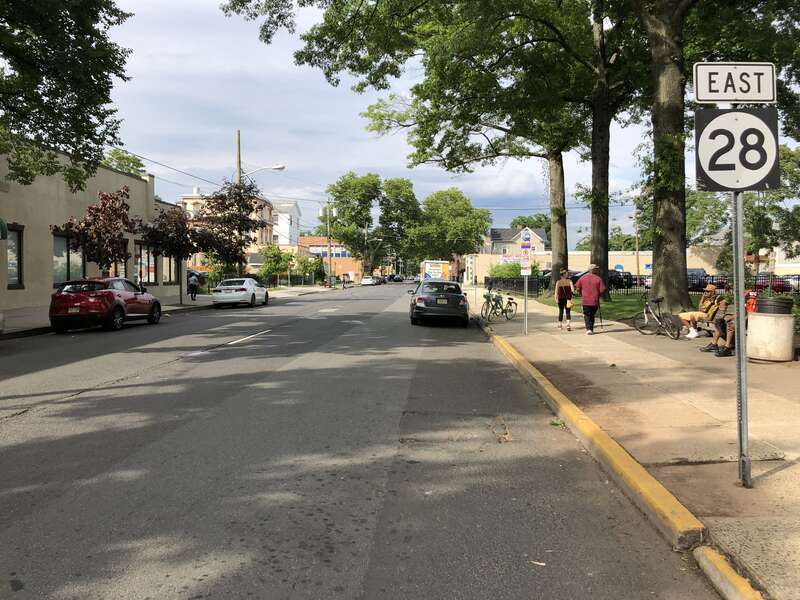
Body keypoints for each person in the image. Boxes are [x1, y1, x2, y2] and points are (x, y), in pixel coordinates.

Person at [575, 264, 606, 335]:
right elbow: (602, 290)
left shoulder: (582, 278)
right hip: (594, 300)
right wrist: (598, 294)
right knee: (592, 315)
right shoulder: (598, 278)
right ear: (592, 270)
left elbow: (577, 288)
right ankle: (590, 329)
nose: (597, 270)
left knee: (587, 315)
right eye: (596, 269)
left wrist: (581, 293)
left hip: (585, 300)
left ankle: (588, 329)